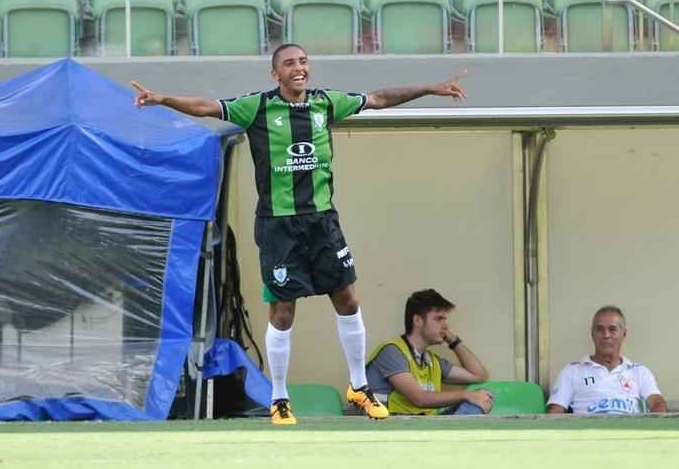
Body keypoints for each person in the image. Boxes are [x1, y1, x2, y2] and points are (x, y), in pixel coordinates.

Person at [131, 43, 467, 424]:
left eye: (304, 62)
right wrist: (162, 99)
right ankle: (279, 398)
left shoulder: (326, 103)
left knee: (347, 298)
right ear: (276, 74)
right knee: (283, 310)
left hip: (322, 221)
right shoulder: (256, 106)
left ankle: (359, 385)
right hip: (278, 225)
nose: (299, 68)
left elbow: (377, 98)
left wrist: (429, 88)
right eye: (290, 63)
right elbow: (208, 106)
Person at [366, 289, 494, 415]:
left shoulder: (431, 361)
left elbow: (478, 376)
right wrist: (466, 395)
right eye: (439, 319)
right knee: (472, 398)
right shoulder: (392, 352)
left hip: (422, 425)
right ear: (417, 321)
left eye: (445, 319)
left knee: (482, 395)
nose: (445, 326)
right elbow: (419, 399)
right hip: (389, 429)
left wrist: (453, 341)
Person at [546, 306, 667, 415]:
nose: (606, 335)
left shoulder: (639, 372)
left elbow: (657, 402)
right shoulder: (572, 371)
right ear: (592, 334)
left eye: (612, 329)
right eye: (600, 329)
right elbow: (555, 412)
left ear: (623, 334)